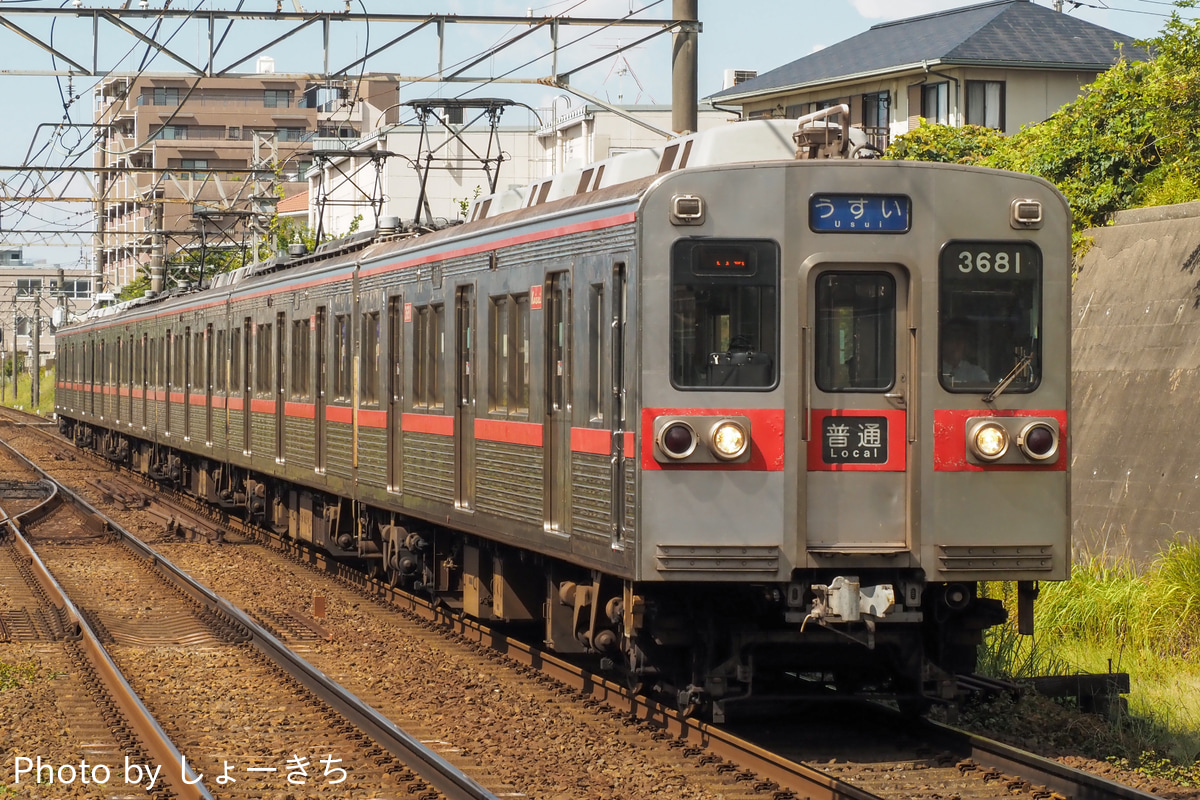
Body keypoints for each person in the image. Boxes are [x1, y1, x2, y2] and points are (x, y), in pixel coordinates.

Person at [941, 319, 989, 385]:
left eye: (960, 339)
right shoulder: (935, 371)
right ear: (942, 343)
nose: (956, 344)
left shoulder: (976, 373)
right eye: (951, 339)